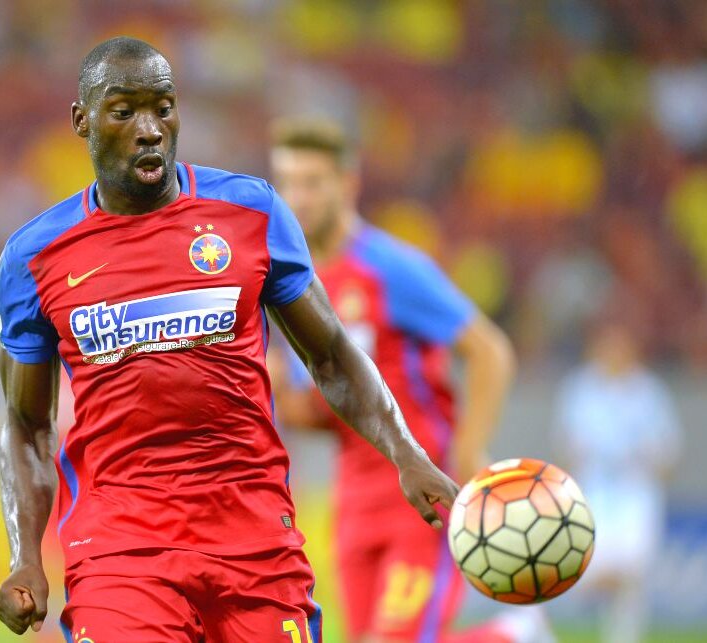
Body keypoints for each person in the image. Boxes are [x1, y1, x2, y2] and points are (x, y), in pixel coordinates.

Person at [0, 37, 458, 642]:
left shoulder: (250, 213)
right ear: (82, 121)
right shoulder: (34, 257)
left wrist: (406, 452)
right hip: (121, 549)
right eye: (123, 111)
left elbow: (332, 357)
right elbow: (27, 424)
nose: (150, 129)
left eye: (163, 108)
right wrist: (25, 555)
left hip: (255, 540)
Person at [268, 119, 548, 643]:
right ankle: (511, 635)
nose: (298, 197)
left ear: (348, 183)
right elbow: (325, 415)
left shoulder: (390, 267)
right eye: (288, 183)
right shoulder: (295, 288)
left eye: (313, 182)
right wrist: (282, 391)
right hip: (353, 502)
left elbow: (490, 351)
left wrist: (468, 449)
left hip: (422, 493)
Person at [555, 317, 682, 643]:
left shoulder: (649, 393)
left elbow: (668, 451)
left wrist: (646, 465)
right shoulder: (581, 389)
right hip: (594, 491)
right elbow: (568, 446)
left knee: (632, 571)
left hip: (636, 494)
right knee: (593, 573)